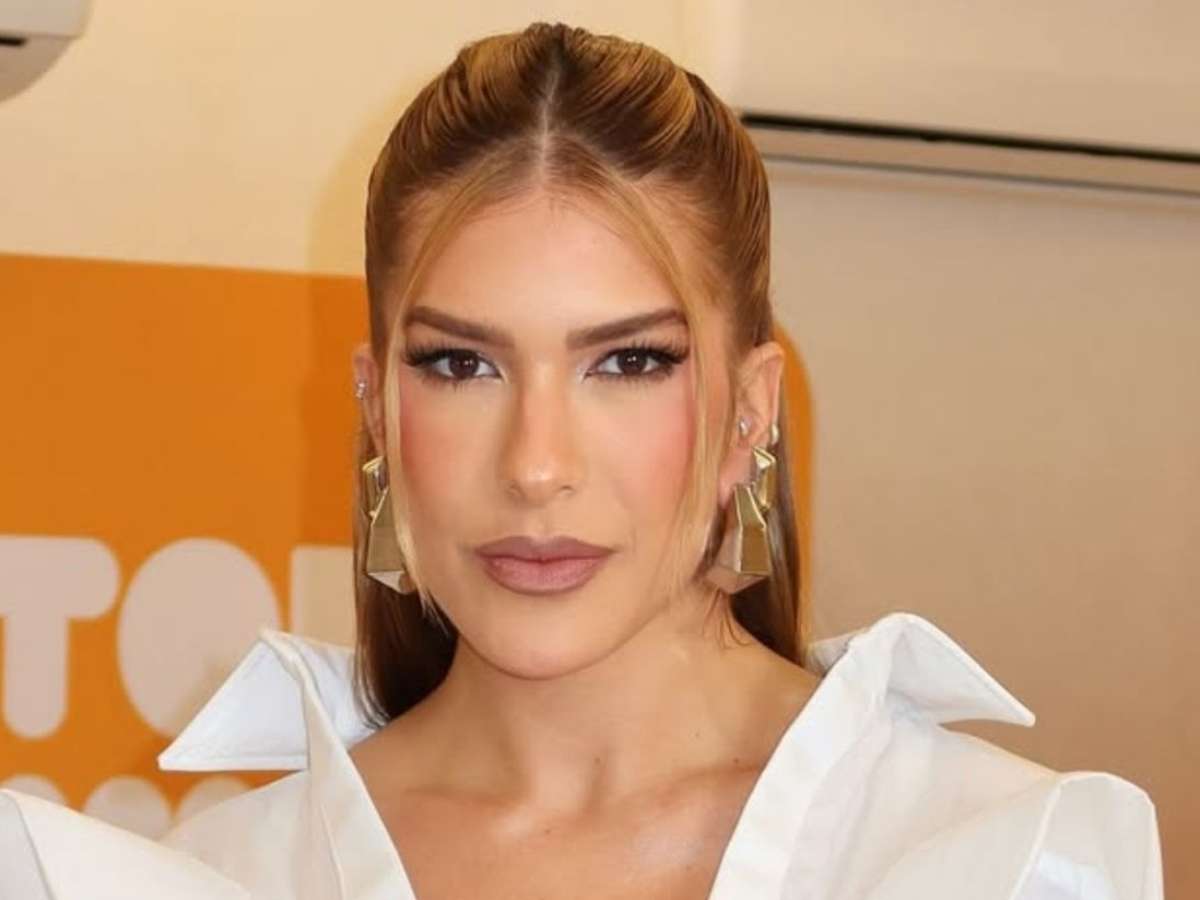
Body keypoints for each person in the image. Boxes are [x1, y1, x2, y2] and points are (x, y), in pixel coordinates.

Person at [0, 21, 1163, 900]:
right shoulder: (223, 875)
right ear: (376, 407)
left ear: (751, 411)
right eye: (461, 364)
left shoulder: (994, 859)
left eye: (629, 362)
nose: (537, 466)